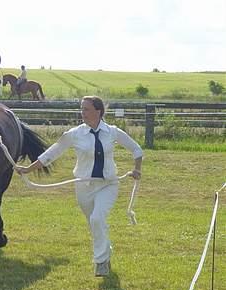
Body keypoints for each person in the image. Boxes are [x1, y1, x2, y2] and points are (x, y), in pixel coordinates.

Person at [15, 96, 143, 277]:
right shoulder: (74, 134)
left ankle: (101, 263)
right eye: (81, 109)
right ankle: (105, 249)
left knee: (97, 219)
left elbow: (137, 149)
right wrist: (28, 169)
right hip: (83, 186)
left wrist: (137, 169)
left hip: (108, 184)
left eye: (86, 109)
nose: (82, 113)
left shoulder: (112, 132)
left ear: (98, 112)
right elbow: (52, 153)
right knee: (94, 223)